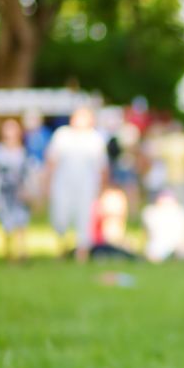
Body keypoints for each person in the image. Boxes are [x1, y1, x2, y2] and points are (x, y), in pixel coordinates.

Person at [45, 107, 108, 262]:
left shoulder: (95, 139)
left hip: (86, 186)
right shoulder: (62, 135)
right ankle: (63, 249)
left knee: (85, 219)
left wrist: (102, 189)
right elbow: (51, 161)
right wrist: (47, 182)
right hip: (63, 184)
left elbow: (103, 167)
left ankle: (82, 254)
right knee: (61, 217)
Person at [0, 119, 32, 263]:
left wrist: (27, 190)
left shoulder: (23, 151)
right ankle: (9, 253)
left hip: (19, 192)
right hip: (4, 193)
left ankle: (22, 252)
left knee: (21, 222)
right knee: (6, 223)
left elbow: (27, 173)